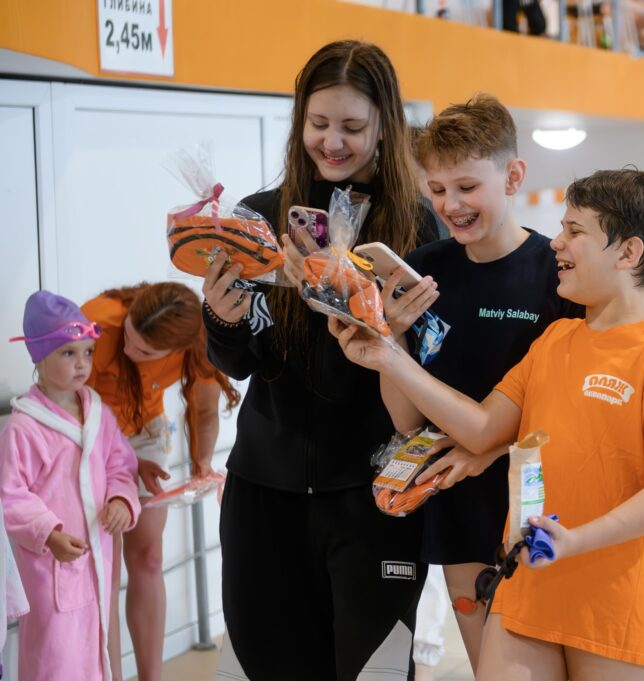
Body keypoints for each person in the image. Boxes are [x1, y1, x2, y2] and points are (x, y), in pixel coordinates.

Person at [334, 168, 644, 680]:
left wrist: (574, 540)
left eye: (575, 230)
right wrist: (389, 357)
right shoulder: (554, 340)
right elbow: (483, 427)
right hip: (528, 581)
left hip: (614, 601)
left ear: (628, 253)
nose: (556, 242)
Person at [201, 40, 440, 680]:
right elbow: (239, 361)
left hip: (375, 496)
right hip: (265, 494)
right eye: (318, 123)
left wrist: (391, 331)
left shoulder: (417, 228)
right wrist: (221, 317)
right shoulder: (258, 219)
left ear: (385, 126)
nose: (332, 142)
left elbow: (437, 370)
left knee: (375, 672)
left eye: (352, 127)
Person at [383, 93, 581, 673]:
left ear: (513, 176)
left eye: (467, 186)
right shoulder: (423, 271)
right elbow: (405, 420)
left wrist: (490, 449)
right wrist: (391, 338)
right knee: (489, 665)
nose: (450, 204)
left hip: (543, 502)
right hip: (457, 501)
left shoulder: (558, 273)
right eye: (437, 189)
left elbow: (575, 407)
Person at [81, 283, 239, 681]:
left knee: (149, 557)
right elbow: (70, 409)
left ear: (177, 349)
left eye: (145, 352)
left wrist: (202, 465)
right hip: (87, 436)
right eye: (129, 337)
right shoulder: (98, 322)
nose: (130, 350)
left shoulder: (197, 343)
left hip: (145, 434)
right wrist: (128, 464)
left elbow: (205, 410)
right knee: (105, 566)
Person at [0, 291, 142, 681]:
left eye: (88, 352)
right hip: (51, 563)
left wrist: (120, 499)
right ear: (39, 357)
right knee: (55, 654)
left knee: (99, 646)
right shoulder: (23, 429)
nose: (82, 364)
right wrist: (49, 533)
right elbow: (11, 496)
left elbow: (120, 465)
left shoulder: (98, 413)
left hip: (98, 555)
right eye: (68, 353)